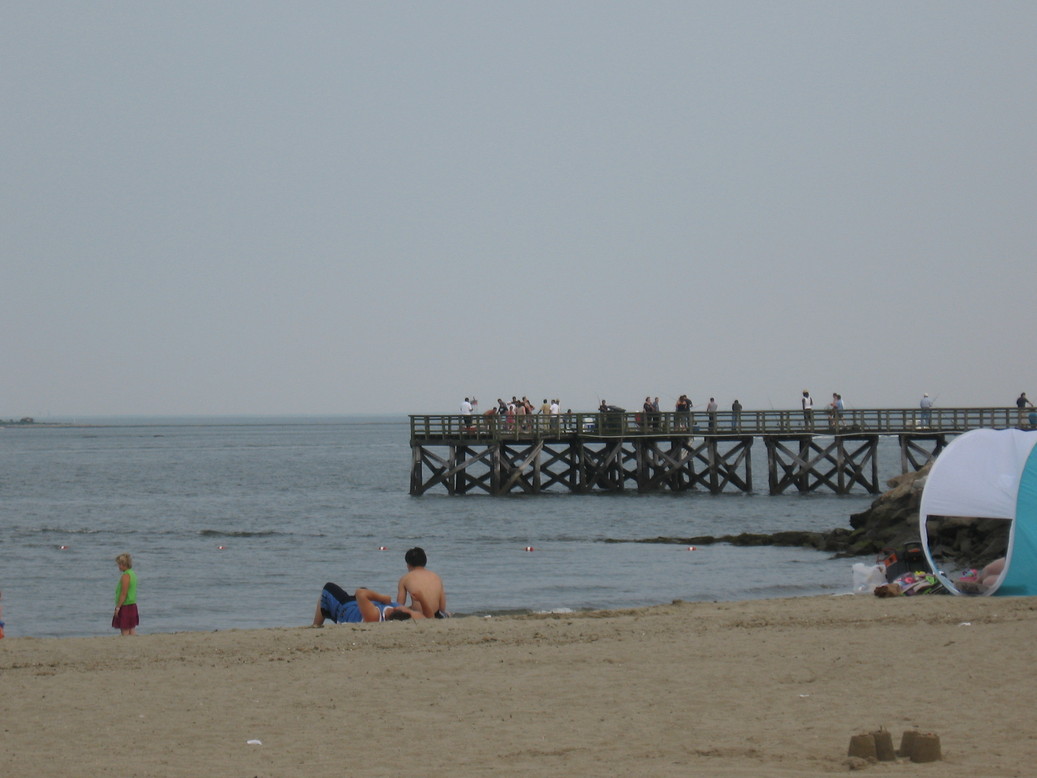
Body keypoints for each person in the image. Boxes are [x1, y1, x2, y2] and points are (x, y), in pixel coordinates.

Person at [312, 584, 424, 625]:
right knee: (363, 589)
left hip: (347, 608)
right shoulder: (405, 614)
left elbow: (360, 594)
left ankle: (316, 625)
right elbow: (429, 618)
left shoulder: (375, 616)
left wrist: (383, 598)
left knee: (327, 590)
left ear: (394, 610)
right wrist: (422, 600)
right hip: (362, 605)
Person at [397, 546, 448, 618]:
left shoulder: (405, 578)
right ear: (425, 562)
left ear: (408, 564)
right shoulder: (436, 577)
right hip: (436, 615)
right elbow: (442, 607)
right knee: (447, 613)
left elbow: (399, 605)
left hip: (419, 615)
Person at [112, 552, 139, 636]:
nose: (118, 567)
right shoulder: (133, 573)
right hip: (132, 604)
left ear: (123, 564)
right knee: (131, 628)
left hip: (126, 605)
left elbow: (124, 593)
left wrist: (117, 608)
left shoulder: (126, 575)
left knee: (125, 629)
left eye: (119, 564)